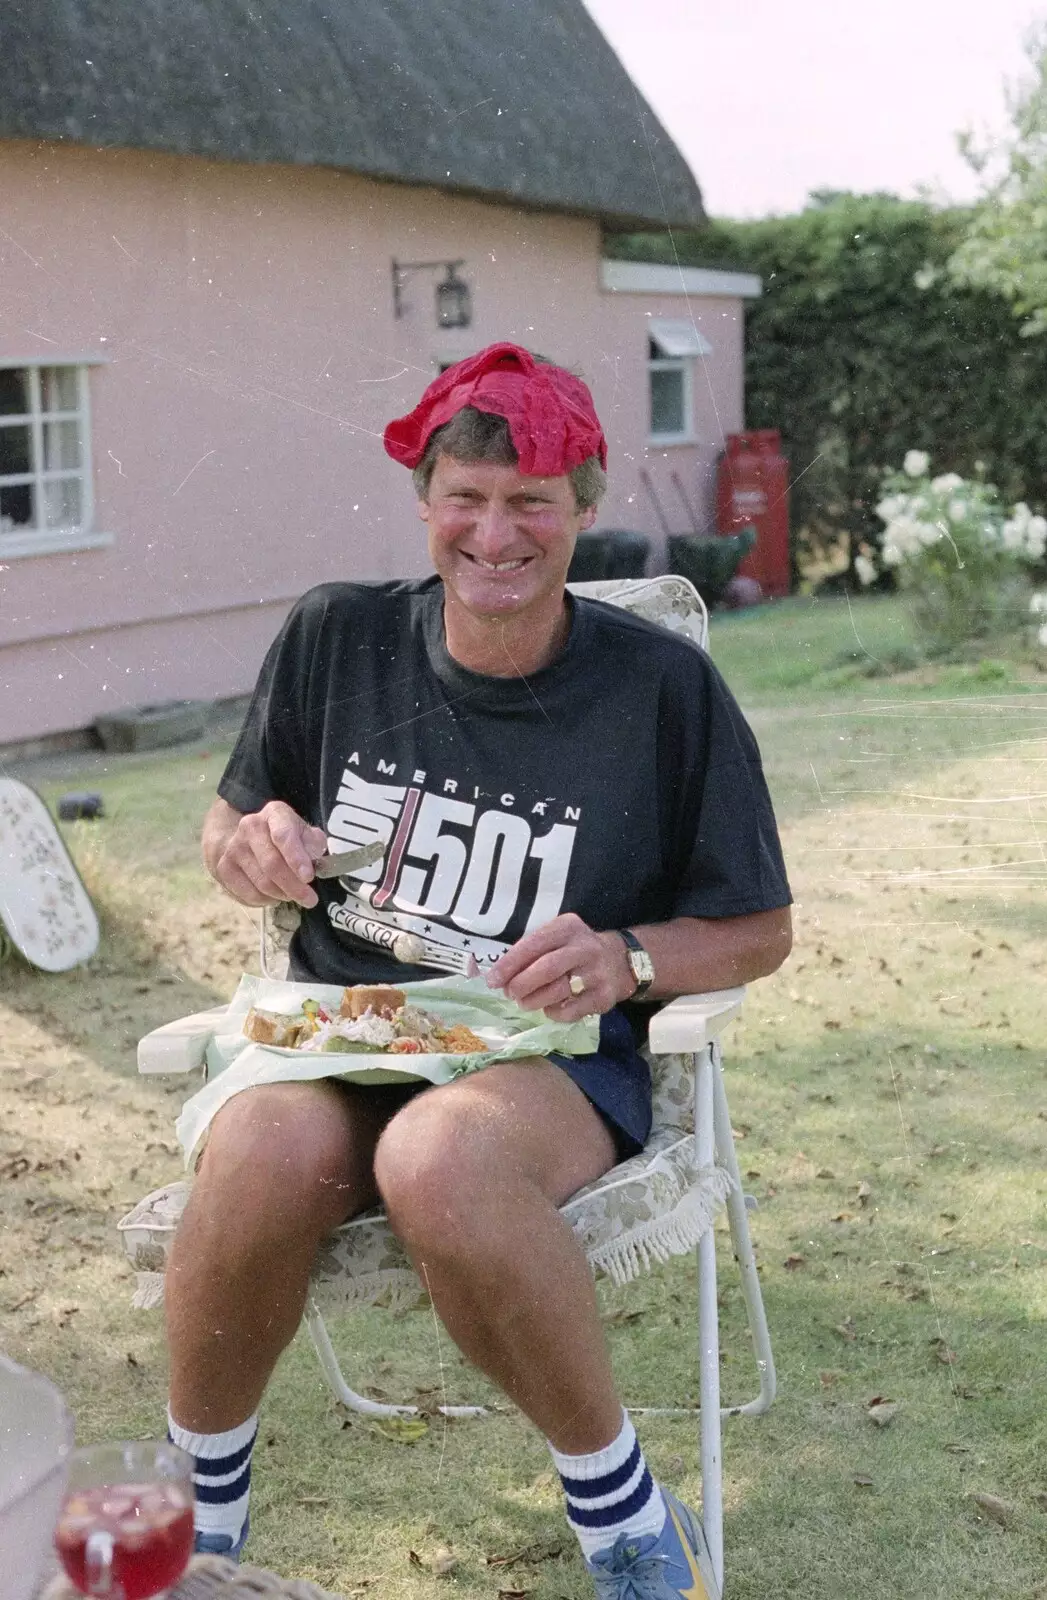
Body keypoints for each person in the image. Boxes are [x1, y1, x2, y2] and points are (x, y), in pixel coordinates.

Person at [165, 342, 792, 1599]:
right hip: (346, 1023)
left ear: (585, 510)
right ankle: (201, 1519)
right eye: (467, 495)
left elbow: (758, 925)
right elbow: (231, 826)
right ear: (424, 499)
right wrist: (253, 845)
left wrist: (627, 954)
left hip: (540, 1051)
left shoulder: (664, 688)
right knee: (259, 1150)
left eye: (532, 502)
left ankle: (622, 1514)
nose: (494, 532)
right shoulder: (338, 635)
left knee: (436, 1160)